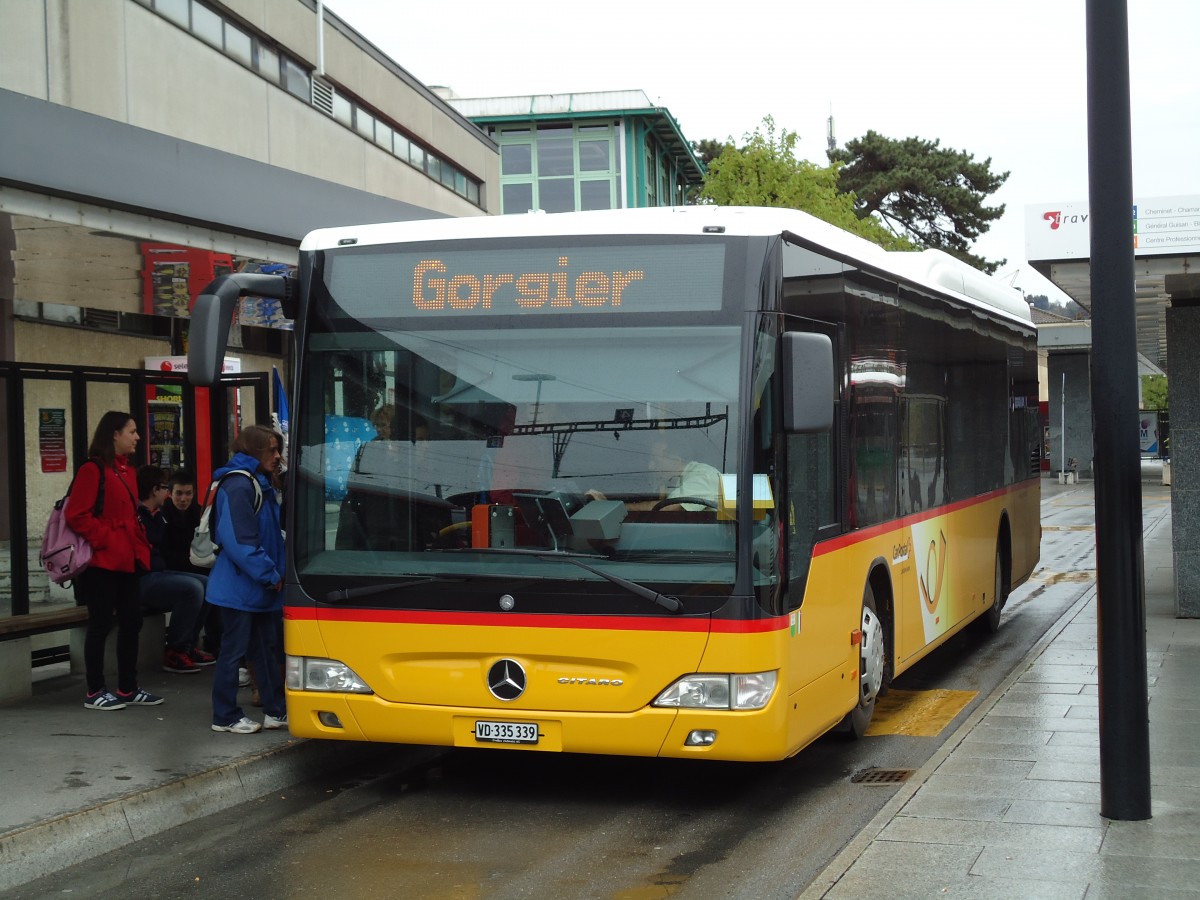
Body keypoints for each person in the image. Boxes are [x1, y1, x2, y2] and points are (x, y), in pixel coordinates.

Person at [65, 411, 160, 710]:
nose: (137, 437)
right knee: (101, 623)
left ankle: (127, 687)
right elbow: (76, 515)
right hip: (102, 562)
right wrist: (106, 538)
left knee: (132, 621)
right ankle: (95, 690)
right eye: (131, 431)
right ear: (114, 435)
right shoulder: (92, 469)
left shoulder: (128, 470)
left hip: (127, 558)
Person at [208, 424, 288, 734]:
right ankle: (225, 715)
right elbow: (241, 542)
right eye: (271, 449)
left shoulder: (253, 482)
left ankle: (275, 710)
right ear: (255, 451)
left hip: (250, 585)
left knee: (261, 649)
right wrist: (270, 574)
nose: (277, 455)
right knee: (238, 651)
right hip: (246, 586)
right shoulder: (242, 484)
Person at [134, 465, 211, 674]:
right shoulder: (140, 516)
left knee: (207, 584)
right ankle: (175, 650)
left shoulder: (158, 515)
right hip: (145, 577)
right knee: (192, 588)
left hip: (161, 572)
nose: (178, 497)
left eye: (188, 493)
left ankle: (188, 645)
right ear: (154, 490)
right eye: (167, 489)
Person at [160, 468, 220, 661]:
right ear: (170, 493)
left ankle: (200, 643)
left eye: (188, 494)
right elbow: (166, 554)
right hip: (170, 570)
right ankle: (179, 648)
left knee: (214, 584)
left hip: (193, 568)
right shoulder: (163, 514)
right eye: (179, 493)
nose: (183, 499)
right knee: (198, 587)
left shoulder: (198, 514)